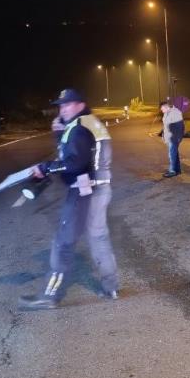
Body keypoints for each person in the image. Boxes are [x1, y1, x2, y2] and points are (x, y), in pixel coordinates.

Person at [18, 88, 120, 310]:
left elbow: (74, 162)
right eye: (60, 105)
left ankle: (49, 295)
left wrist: (45, 167)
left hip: (83, 191)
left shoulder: (79, 127)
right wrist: (59, 134)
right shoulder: (91, 123)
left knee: (63, 243)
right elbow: (79, 154)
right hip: (101, 187)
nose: (61, 109)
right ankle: (111, 287)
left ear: (80, 105)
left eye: (67, 104)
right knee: (98, 238)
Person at [161, 100, 184, 178]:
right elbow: (165, 126)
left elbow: (180, 126)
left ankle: (172, 171)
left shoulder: (175, 113)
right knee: (174, 154)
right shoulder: (166, 114)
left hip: (174, 137)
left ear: (166, 107)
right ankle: (177, 170)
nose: (161, 110)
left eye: (162, 109)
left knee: (171, 154)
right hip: (170, 137)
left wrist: (177, 138)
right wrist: (163, 135)